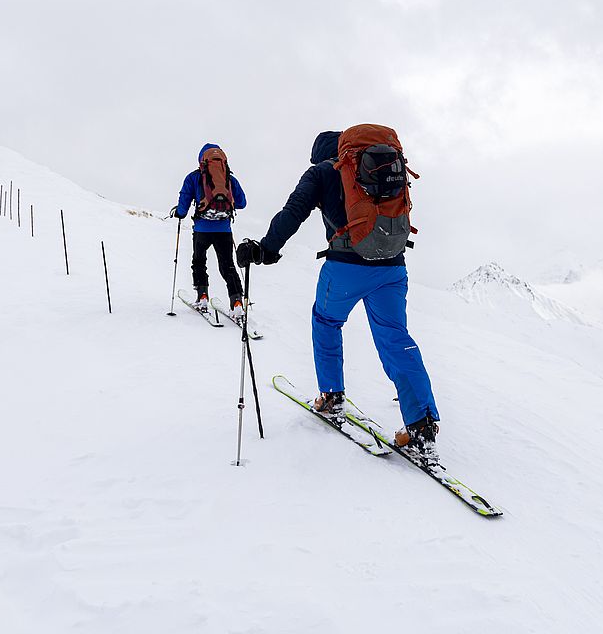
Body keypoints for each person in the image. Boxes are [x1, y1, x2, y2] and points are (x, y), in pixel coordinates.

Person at [236, 127, 440, 464]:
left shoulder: (321, 172)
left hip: (346, 267)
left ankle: (331, 397)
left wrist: (266, 249)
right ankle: (422, 425)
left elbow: (293, 212)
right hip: (392, 267)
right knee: (395, 337)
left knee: (326, 321)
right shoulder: (380, 166)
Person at [171, 143, 248, 321]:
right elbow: (242, 203)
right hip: (224, 229)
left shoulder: (193, 177)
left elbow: (183, 204)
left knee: (199, 261)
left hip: (201, 229)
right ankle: (237, 303)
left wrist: (179, 213)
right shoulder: (229, 178)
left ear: (201, 160)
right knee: (228, 265)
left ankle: (202, 297)